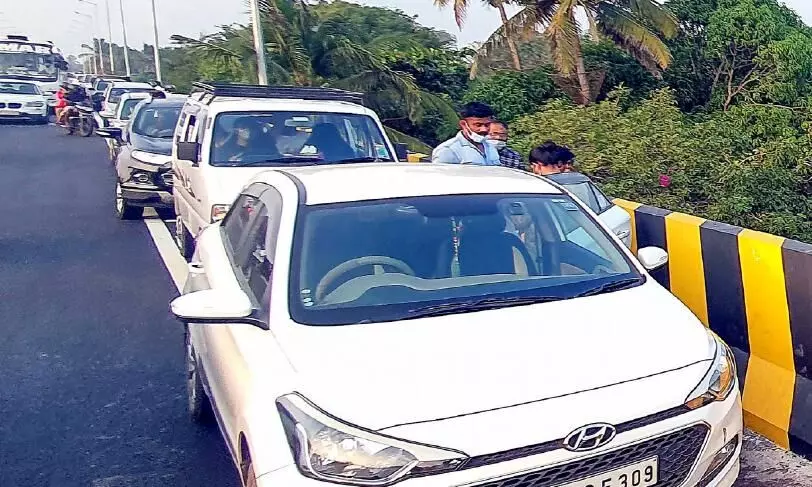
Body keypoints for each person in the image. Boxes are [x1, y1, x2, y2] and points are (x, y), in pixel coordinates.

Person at [432, 102, 500, 166]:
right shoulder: (448, 150)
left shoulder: (490, 146)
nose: (484, 129)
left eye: (487, 125)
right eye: (478, 125)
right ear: (463, 124)